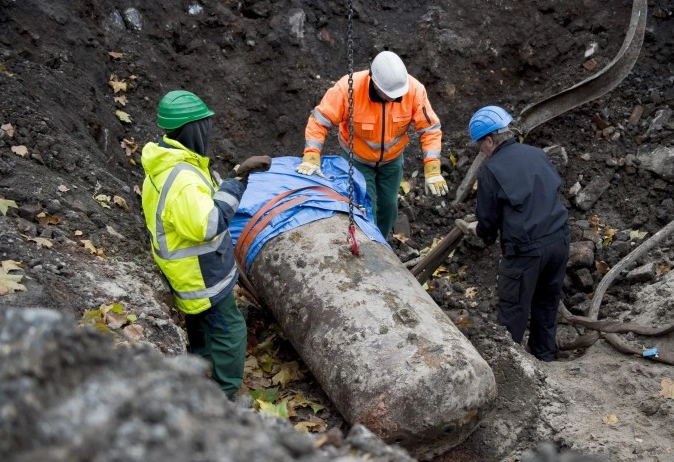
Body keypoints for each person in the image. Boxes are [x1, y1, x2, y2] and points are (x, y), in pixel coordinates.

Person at [140, 90, 270, 398]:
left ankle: (200, 379)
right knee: (231, 332)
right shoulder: (182, 178)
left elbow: (194, 209)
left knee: (202, 330)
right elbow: (209, 224)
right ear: (192, 128)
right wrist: (236, 184)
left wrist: (235, 174)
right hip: (202, 276)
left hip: (184, 272)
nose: (208, 129)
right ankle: (225, 395)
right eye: (204, 123)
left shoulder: (168, 162)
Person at [457, 106, 570, 362]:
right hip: (559, 240)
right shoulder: (537, 154)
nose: (481, 151)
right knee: (546, 302)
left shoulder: (491, 170)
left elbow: (488, 221)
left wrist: (479, 231)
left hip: (526, 251)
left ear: (489, 140)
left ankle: (511, 367)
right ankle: (544, 357)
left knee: (513, 309)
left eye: (480, 145)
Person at [296, 50, 447, 238]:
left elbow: (430, 129)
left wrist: (432, 169)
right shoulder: (348, 89)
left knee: (388, 207)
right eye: (389, 95)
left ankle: (381, 242)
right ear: (374, 82)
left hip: (391, 161)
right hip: (357, 159)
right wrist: (312, 156)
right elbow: (320, 120)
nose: (394, 99)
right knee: (366, 206)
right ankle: (366, 243)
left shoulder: (414, 90)